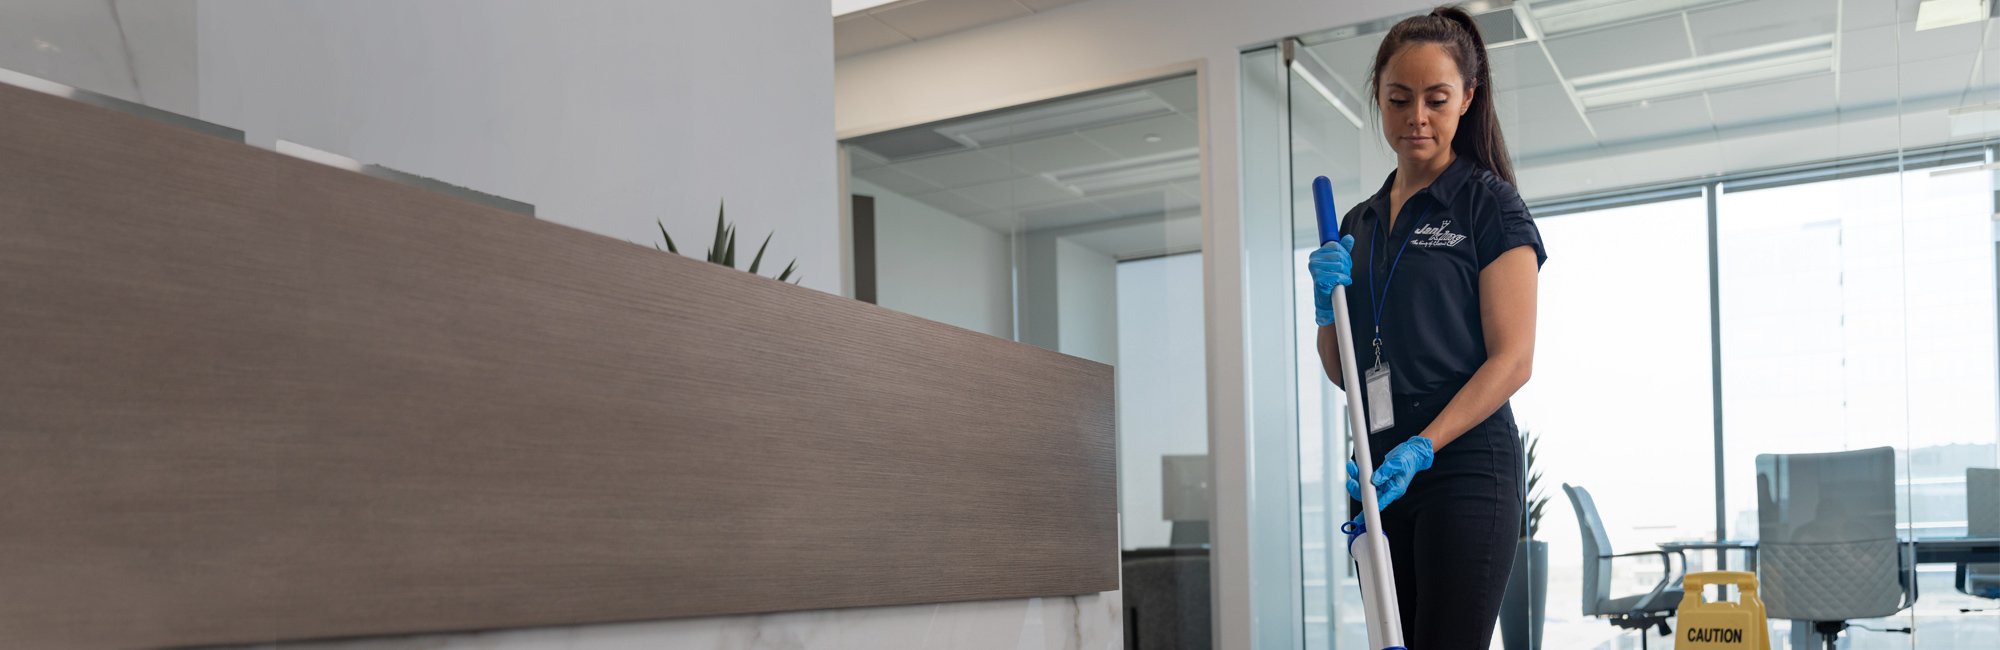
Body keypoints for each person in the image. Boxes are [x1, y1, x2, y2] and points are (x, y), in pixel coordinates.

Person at [1307, 5, 1546, 648]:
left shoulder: (1489, 204)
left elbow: (1513, 359)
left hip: (1464, 461)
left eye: (1437, 99)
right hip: (1380, 466)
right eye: (1399, 98)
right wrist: (1324, 303)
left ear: (1466, 99)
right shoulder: (1354, 225)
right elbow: (1344, 368)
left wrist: (1424, 446)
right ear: (1379, 102)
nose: (1417, 116)